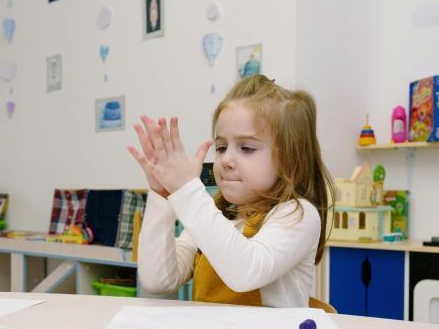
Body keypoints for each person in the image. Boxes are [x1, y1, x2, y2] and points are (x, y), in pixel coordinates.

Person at [127, 74, 335, 307]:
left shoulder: (297, 215)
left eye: (246, 148)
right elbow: (157, 281)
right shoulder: (217, 216)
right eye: (221, 147)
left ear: (289, 160)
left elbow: (246, 272)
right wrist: (163, 197)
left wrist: (187, 191)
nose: (226, 160)